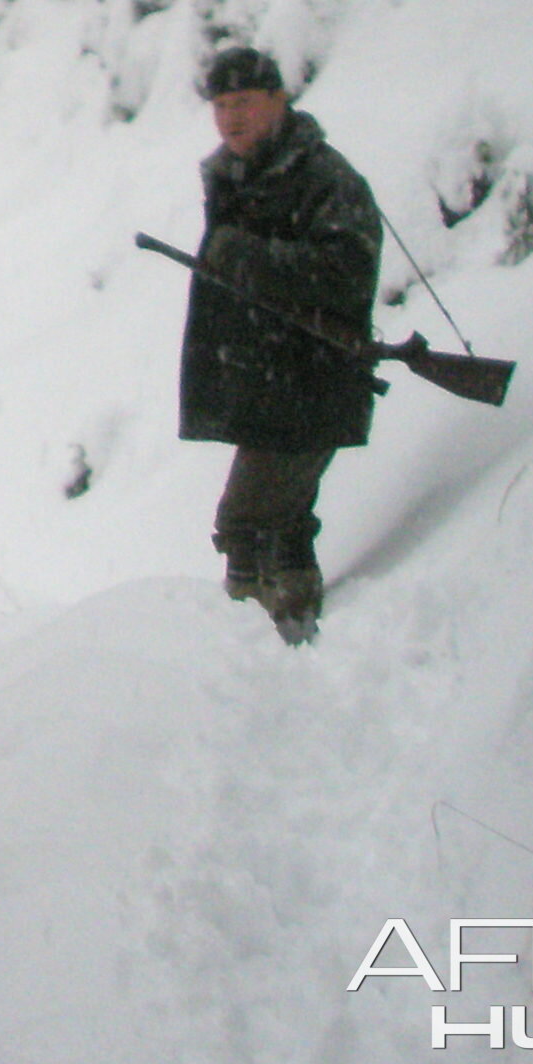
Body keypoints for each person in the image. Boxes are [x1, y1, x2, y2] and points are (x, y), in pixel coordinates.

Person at [181, 46, 384, 641]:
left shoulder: (325, 178)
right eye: (220, 106)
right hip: (267, 388)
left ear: (279, 99)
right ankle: (282, 646)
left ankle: (273, 649)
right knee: (276, 524)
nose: (229, 118)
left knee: (249, 522)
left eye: (242, 102)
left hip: (311, 381)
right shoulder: (242, 177)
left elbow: (349, 271)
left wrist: (251, 258)